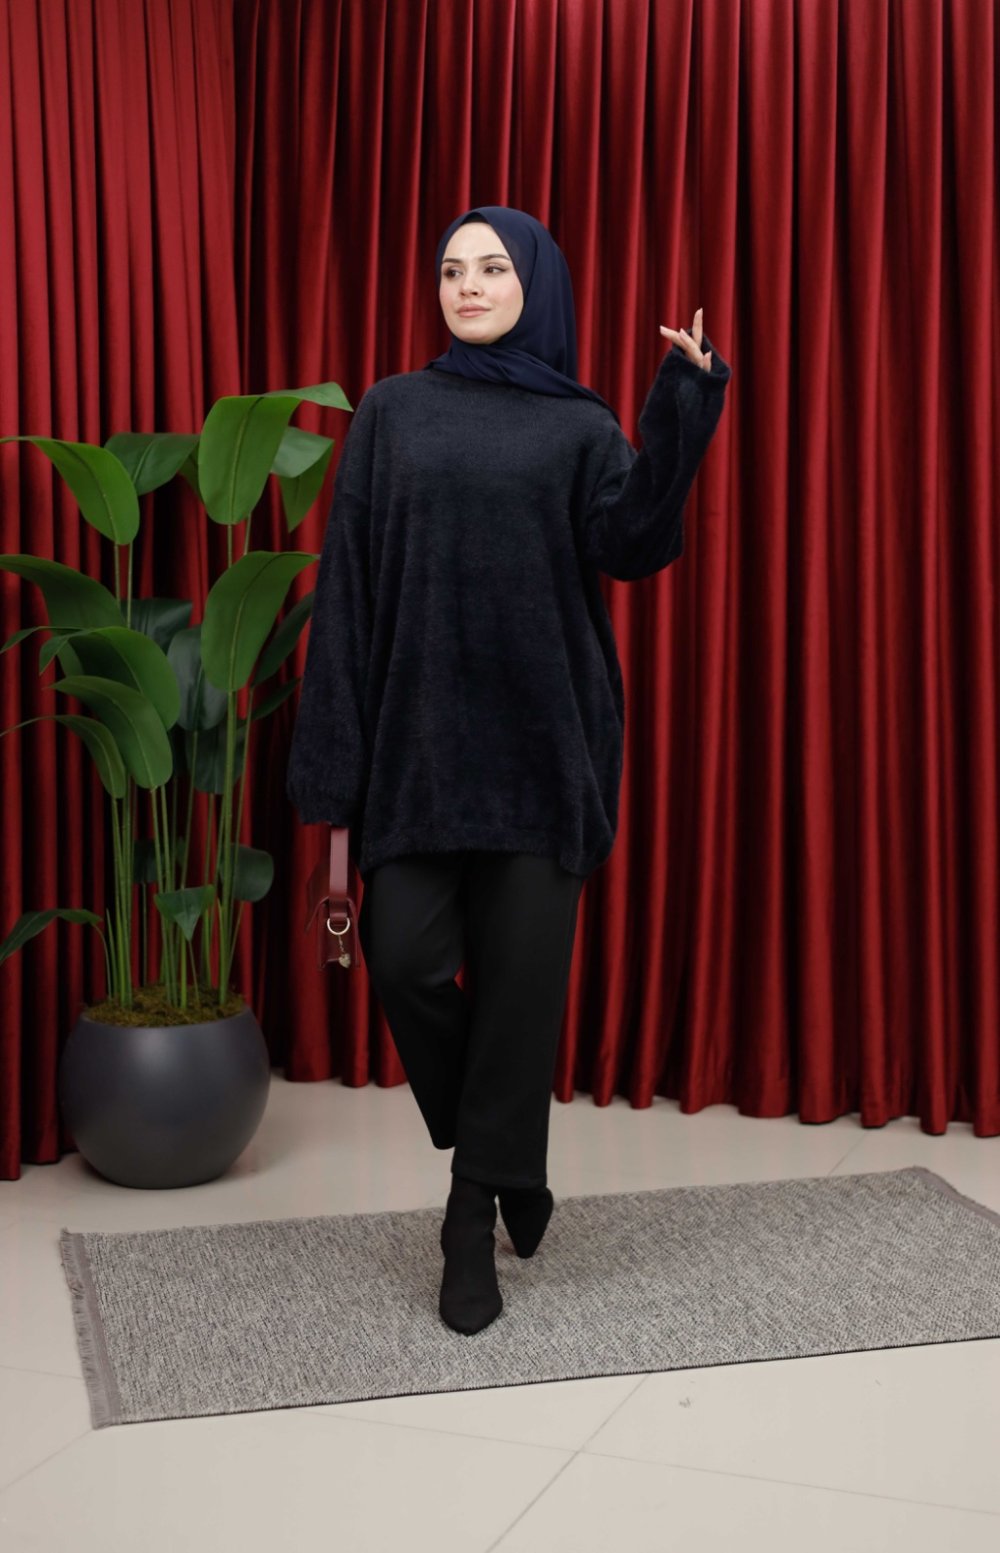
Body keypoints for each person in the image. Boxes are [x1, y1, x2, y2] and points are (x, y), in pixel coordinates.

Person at [286, 204, 732, 1337]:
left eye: (491, 267)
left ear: (535, 282)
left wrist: (684, 402)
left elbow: (634, 544)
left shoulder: (578, 425)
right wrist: (332, 770)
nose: (468, 285)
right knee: (404, 959)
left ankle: (470, 1210)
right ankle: (514, 1166)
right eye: (451, 269)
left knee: (520, 999)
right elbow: (349, 590)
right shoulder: (392, 411)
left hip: (544, 752)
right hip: (420, 754)